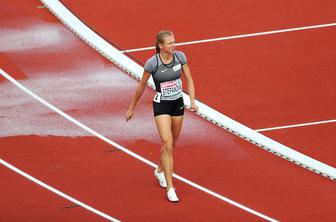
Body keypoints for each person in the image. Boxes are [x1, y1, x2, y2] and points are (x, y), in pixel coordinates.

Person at [125, 30, 198, 202]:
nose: (174, 45)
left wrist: (192, 101)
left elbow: (189, 78)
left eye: (174, 41)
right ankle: (171, 188)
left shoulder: (180, 57)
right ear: (160, 46)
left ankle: (159, 170)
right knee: (167, 142)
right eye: (170, 43)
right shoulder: (152, 63)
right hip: (161, 105)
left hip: (177, 104)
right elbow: (141, 86)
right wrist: (131, 108)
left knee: (172, 143)